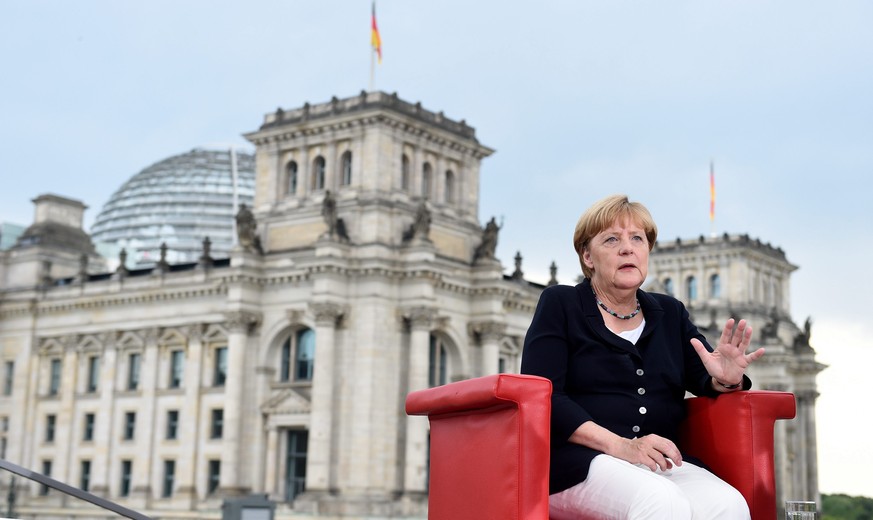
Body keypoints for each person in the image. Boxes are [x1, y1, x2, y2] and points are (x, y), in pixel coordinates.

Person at [520, 194, 764, 520]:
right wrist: (623, 447)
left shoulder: (670, 313)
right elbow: (545, 397)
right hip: (577, 464)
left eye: (637, 238)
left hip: (658, 463)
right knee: (661, 501)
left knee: (729, 505)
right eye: (612, 239)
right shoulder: (560, 304)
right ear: (587, 256)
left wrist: (727, 377)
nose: (627, 248)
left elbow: (707, 376)